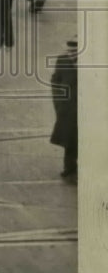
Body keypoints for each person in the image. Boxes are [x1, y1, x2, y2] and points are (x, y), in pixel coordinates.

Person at [50, 38, 78, 183]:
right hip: (68, 107)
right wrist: (58, 103)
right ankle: (70, 167)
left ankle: (71, 167)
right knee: (70, 139)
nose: (71, 52)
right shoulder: (62, 60)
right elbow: (55, 81)